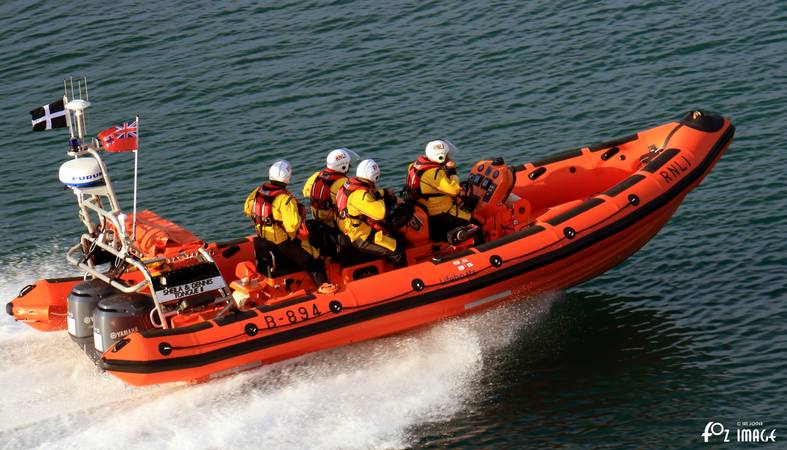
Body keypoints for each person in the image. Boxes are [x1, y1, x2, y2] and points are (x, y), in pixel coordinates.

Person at [243, 159, 330, 289]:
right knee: (314, 259)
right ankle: (325, 287)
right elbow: (292, 225)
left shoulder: (258, 191)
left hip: (263, 239)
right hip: (282, 244)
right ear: (288, 178)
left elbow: (247, 209)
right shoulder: (285, 199)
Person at [335, 159, 406, 267]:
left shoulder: (348, 184)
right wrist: (392, 200)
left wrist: (385, 192)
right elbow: (380, 213)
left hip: (349, 229)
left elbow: (368, 197)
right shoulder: (360, 194)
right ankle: (401, 277)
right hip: (361, 236)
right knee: (397, 248)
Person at [404, 140, 476, 243]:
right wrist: (452, 171)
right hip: (439, 212)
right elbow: (454, 190)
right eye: (447, 155)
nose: (449, 157)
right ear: (440, 157)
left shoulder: (415, 165)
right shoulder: (434, 173)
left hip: (425, 208)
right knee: (472, 221)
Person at [302, 148, 352, 226]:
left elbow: (305, 192)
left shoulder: (317, 175)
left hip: (317, 218)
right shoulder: (344, 182)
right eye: (348, 164)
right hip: (333, 222)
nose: (350, 166)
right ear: (343, 166)